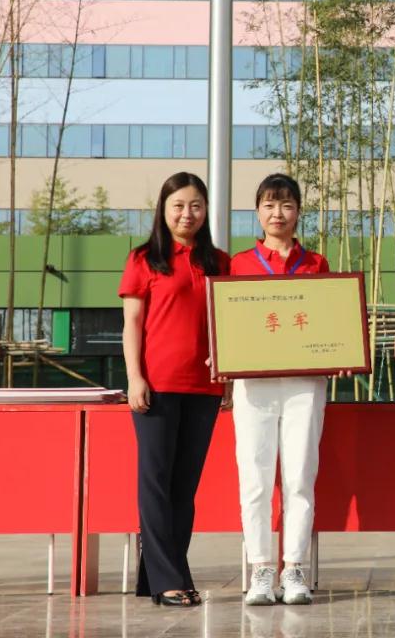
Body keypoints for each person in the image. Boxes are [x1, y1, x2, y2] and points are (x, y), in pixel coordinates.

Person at [119, 172, 230, 607]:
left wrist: (228, 375)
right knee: (156, 483)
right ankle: (168, 579)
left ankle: (164, 575)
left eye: (196, 206)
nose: (187, 214)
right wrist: (135, 377)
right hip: (157, 386)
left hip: (204, 388)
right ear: (163, 210)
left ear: (206, 211)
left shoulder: (219, 262)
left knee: (184, 487)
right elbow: (131, 323)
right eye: (178, 205)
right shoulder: (144, 258)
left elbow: (230, 323)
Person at [228, 173, 331, 606]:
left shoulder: (317, 264)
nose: (278, 213)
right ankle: (261, 570)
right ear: (257, 212)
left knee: (300, 476)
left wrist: (339, 352)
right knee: (254, 478)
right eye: (269, 205)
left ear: (298, 212)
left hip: (305, 383)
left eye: (287, 205)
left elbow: (330, 320)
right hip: (254, 384)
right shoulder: (238, 264)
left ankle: (294, 569)